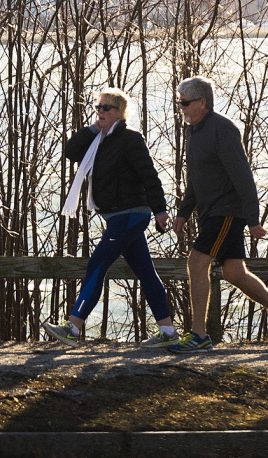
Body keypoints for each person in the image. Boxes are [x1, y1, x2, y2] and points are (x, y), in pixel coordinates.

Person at [168, 76, 268, 353]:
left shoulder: (222, 130)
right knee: (233, 272)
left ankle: (199, 335)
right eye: (179, 102)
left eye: (184, 102)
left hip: (227, 211)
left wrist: (253, 219)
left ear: (202, 103)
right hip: (211, 213)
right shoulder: (194, 132)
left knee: (196, 263)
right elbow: (195, 178)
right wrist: (184, 212)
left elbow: (243, 176)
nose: (180, 107)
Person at [42, 88, 180, 349]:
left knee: (97, 265)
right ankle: (168, 331)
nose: (101, 111)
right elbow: (71, 151)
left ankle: (72, 327)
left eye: (107, 108)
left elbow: (149, 176)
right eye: (98, 107)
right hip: (117, 217)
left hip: (129, 215)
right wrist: (93, 129)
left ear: (119, 113)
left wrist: (160, 210)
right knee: (146, 273)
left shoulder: (130, 139)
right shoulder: (98, 141)